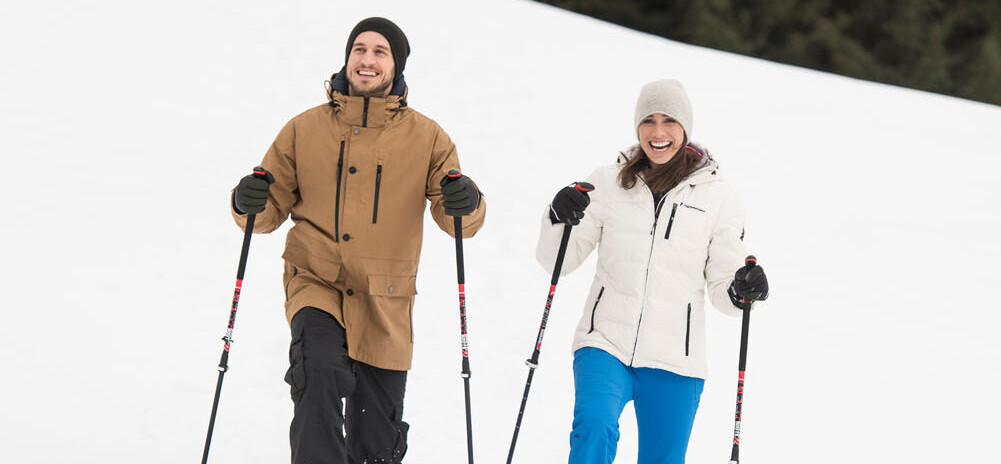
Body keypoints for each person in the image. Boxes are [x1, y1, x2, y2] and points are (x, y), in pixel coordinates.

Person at [231, 17, 486, 464]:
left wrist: (466, 201)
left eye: (379, 52)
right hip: (316, 280)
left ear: (396, 65)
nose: (366, 61)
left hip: (386, 299)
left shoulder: (429, 137)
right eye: (359, 50)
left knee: (375, 443)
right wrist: (246, 200)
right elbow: (265, 213)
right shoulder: (302, 129)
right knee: (318, 373)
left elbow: (458, 221)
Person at [536, 79, 768, 464]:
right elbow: (558, 261)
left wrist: (741, 291)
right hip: (605, 341)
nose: (658, 133)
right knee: (595, 425)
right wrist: (559, 217)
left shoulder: (719, 198)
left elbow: (724, 285)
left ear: (685, 128)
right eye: (648, 121)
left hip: (676, 359)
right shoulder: (608, 182)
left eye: (669, 121)